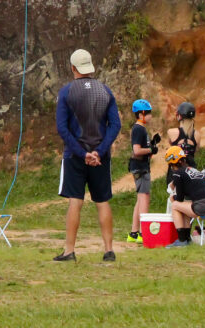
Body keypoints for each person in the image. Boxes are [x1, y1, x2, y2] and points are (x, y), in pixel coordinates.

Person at [54, 48, 121, 263]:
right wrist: (98, 151)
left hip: (75, 156)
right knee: (102, 201)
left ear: (73, 68)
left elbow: (62, 128)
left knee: (75, 201)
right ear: (90, 66)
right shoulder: (105, 91)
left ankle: (69, 251)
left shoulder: (66, 92)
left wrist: (82, 153)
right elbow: (115, 125)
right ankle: (109, 250)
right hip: (100, 156)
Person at [164, 146, 205, 249]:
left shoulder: (178, 174)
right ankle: (187, 239)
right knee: (184, 207)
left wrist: (173, 198)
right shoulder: (193, 170)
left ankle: (182, 240)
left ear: (172, 163)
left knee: (175, 205)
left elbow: (179, 199)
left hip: (204, 205)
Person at [126, 99, 159, 244]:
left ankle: (134, 233)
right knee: (145, 198)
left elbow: (144, 151)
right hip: (140, 168)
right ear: (142, 114)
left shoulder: (141, 129)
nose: (151, 116)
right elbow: (137, 150)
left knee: (141, 199)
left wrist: (152, 146)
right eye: (149, 113)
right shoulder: (138, 129)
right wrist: (150, 149)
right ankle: (145, 233)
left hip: (141, 165)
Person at [166, 101, 199, 170]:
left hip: (176, 171)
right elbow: (196, 152)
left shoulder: (171, 132)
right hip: (191, 171)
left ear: (179, 116)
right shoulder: (197, 135)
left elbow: (171, 147)